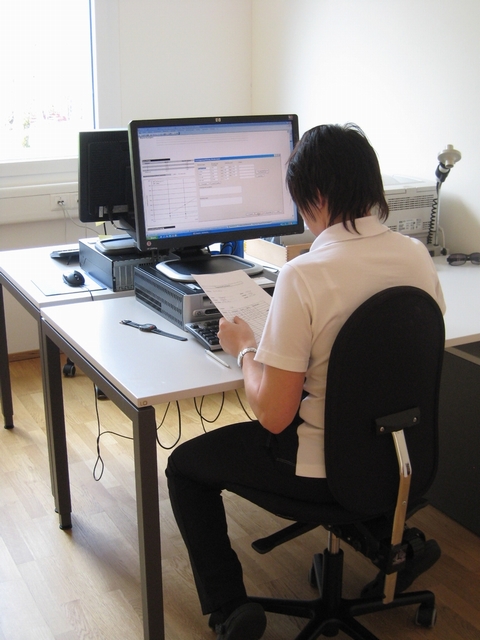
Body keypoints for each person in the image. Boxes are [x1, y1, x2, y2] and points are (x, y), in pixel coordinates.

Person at [166, 123, 446, 640]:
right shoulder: (415, 255)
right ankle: (394, 545)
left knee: (185, 466)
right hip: (398, 457)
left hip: (319, 471)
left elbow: (273, 416)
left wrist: (245, 348)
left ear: (315, 196)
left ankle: (229, 607)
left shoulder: (304, 275)